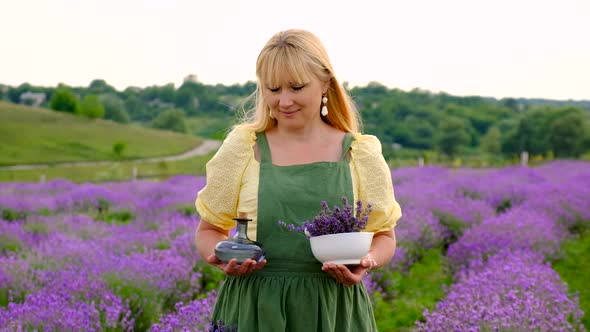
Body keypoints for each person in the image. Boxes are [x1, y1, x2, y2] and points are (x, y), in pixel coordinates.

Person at [195, 29, 402, 331]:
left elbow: (384, 236)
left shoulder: (360, 153)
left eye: (296, 87)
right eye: (273, 89)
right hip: (255, 308)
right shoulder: (243, 148)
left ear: (325, 83)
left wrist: (367, 261)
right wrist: (219, 258)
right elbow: (209, 230)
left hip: (333, 311)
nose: (284, 100)